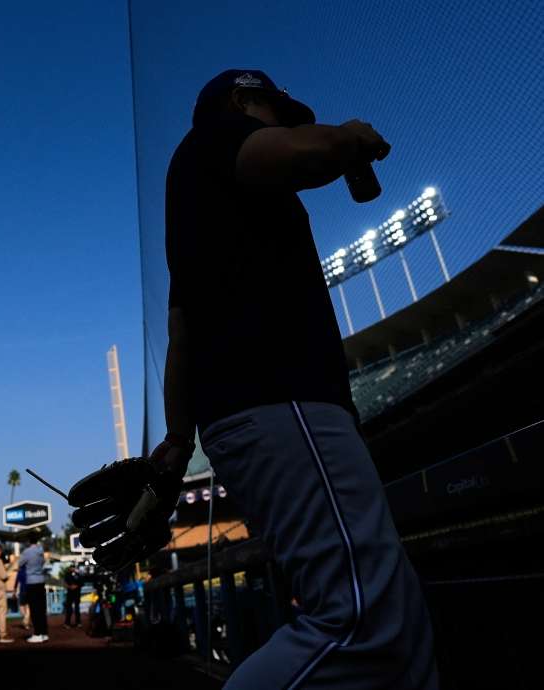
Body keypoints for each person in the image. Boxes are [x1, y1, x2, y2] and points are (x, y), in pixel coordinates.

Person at [130, 69, 438, 688]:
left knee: (395, 635)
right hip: (282, 399)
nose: (281, 122)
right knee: (362, 620)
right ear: (245, 101)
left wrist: (176, 442)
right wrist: (349, 137)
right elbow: (307, 152)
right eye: (274, 111)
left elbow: (181, 335)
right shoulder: (216, 137)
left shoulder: (200, 202)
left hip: (250, 414)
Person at [16, 539, 49, 643]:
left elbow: (20, 563)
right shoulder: (41, 551)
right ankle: (44, 633)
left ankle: (37, 634)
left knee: (34, 609)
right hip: (41, 581)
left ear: (28, 541)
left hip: (31, 582)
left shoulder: (27, 552)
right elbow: (43, 562)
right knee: (42, 609)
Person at [62, 564, 83, 628]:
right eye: (71, 567)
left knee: (77, 608)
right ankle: (67, 623)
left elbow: (81, 583)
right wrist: (70, 586)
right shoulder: (67, 574)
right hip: (70, 593)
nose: (72, 569)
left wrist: (76, 586)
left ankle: (78, 622)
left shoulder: (78, 574)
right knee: (69, 609)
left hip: (77, 593)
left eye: (73, 567)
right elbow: (64, 583)